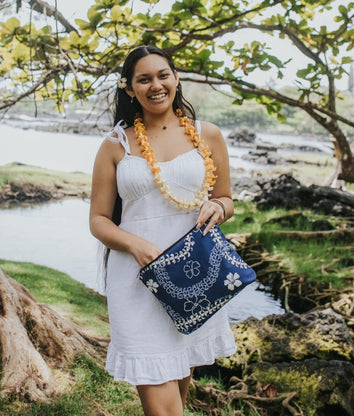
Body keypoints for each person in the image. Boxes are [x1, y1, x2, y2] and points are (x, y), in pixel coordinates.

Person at [90, 45, 236, 416]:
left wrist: (217, 207)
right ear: (129, 89)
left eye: (163, 75)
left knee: (179, 398)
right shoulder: (115, 144)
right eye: (144, 79)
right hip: (136, 281)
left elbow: (227, 200)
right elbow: (99, 220)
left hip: (194, 278)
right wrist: (134, 243)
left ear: (175, 78)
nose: (156, 85)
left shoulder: (208, 135)